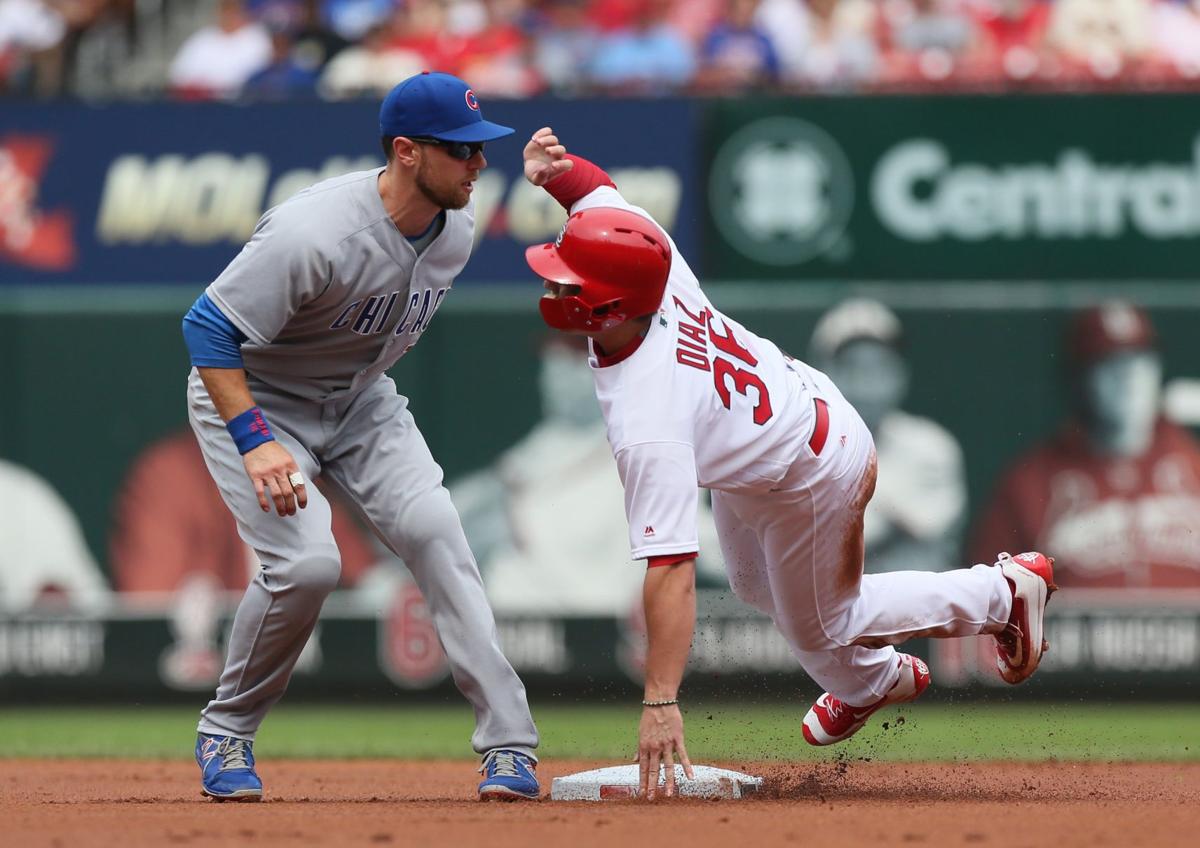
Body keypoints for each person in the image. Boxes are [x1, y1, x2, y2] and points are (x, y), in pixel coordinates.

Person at [520, 126, 1057, 799]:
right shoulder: (655, 264)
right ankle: (867, 681)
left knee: (826, 621)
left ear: (613, 304)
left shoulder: (647, 414)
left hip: (811, 471)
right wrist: (559, 176)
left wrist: (660, 700)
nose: (557, 285)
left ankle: (1003, 594)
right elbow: (600, 194)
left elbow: (670, 570)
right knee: (753, 586)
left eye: (572, 281)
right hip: (770, 437)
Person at [180, 71, 539, 803]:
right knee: (309, 564)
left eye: (481, 149)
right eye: (462, 150)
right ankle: (228, 728)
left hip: (359, 401)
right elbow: (207, 329)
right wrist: (254, 439)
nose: (479, 164)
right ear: (407, 151)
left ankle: (509, 746)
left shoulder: (457, 229)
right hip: (260, 400)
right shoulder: (315, 232)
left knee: (439, 529)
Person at [970, 302, 1200, 590]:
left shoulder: (1193, 464)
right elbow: (986, 602)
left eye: (1139, 361)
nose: (1128, 379)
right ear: (1078, 378)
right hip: (1068, 635)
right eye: (1109, 364)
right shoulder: (1030, 483)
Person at [809, 299, 967, 574]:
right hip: (828, 609)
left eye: (881, 367)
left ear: (901, 374)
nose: (868, 382)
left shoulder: (931, 446)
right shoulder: (798, 446)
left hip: (920, 605)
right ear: (818, 373)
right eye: (852, 368)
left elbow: (928, 525)